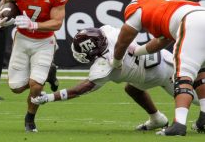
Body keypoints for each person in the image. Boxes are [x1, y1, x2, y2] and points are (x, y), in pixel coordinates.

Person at [31, 25, 199, 131]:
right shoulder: (108, 31)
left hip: (163, 74)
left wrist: (49, 97)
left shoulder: (105, 66)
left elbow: (79, 90)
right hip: (158, 59)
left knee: (197, 99)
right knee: (131, 88)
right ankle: (157, 119)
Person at [111, 0, 205, 136]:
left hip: (191, 22)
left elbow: (123, 39)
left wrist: (116, 61)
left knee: (183, 76)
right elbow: (163, 40)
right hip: (200, 13)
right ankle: (203, 119)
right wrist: (138, 51)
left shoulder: (139, 5)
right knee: (201, 73)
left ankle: (179, 125)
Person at [0, 0, 69, 132]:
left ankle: (30, 119)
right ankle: (50, 73)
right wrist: (1, 15)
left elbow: (57, 22)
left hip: (44, 41)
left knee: (36, 86)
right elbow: (6, 2)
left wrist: (33, 24)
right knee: (16, 88)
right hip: (22, 39)